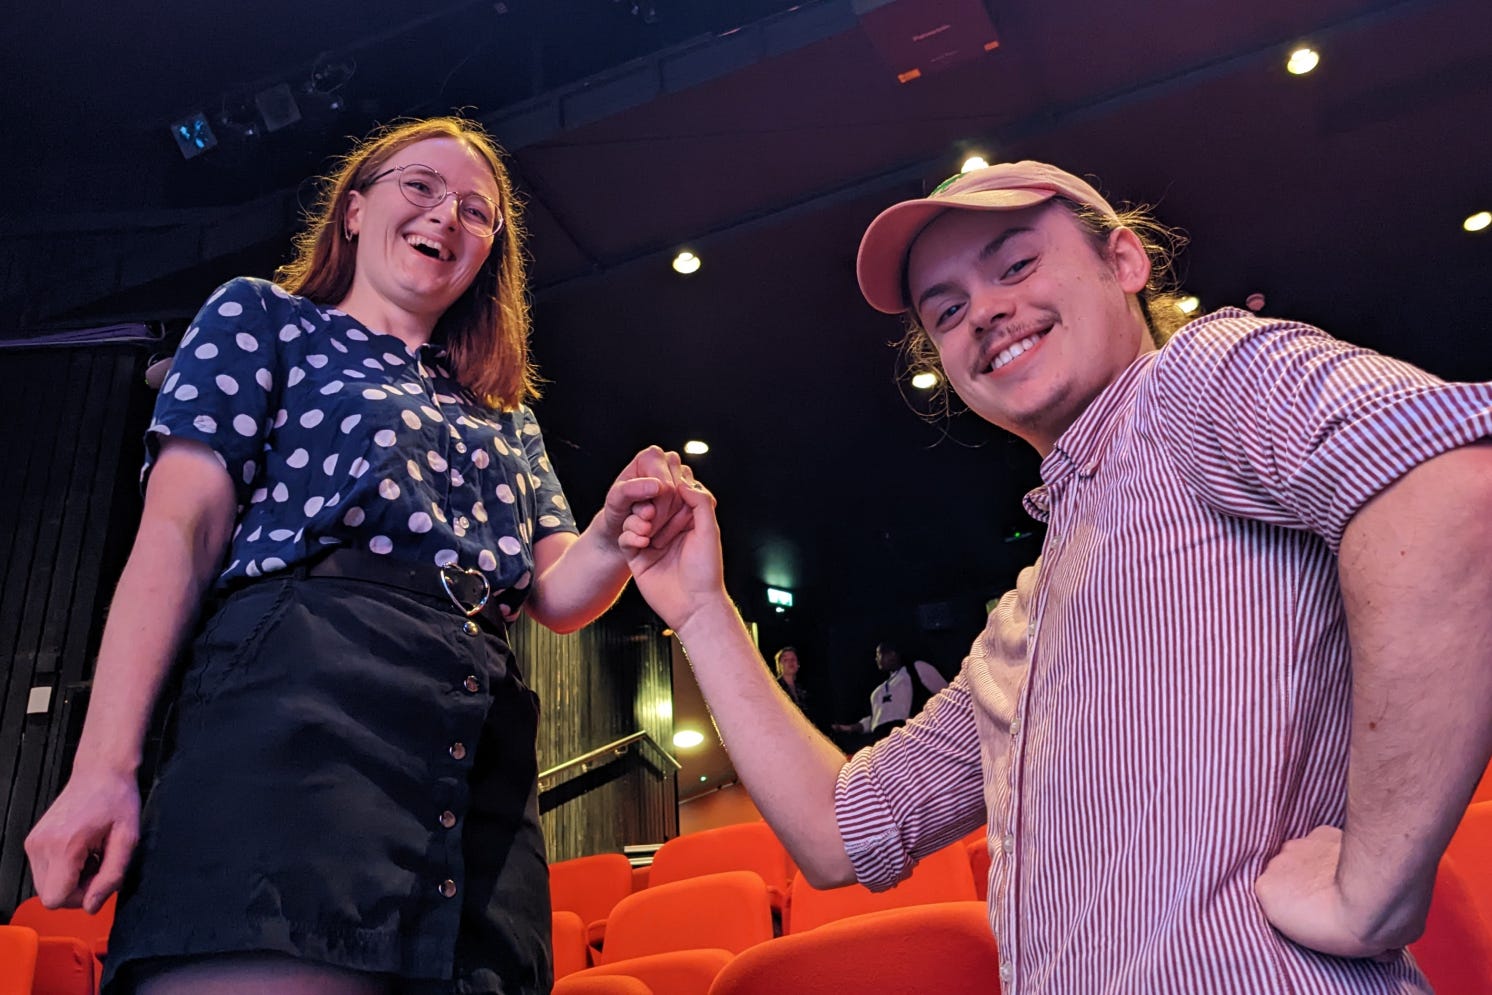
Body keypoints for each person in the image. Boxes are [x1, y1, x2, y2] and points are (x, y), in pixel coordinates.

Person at [621, 160, 1492, 992]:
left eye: (1018, 264)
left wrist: (1376, 885)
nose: (985, 313)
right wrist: (702, 610)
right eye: (948, 309)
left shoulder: (1194, 379)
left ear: (1122, 259)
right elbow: (841, 832)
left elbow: (1451, 485)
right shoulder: (1020, 622)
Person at [23, 116, 686, 995]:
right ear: (354, 208)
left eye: (477, 211)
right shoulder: (262, 317)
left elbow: (557, 594)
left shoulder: (505, 412)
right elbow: (177, 537)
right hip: (298, 702)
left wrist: (613, 531)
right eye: (421, 186)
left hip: (475, 733)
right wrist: (102, 767)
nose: (448, 215)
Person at [830, 640, 947, 747]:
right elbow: (874, 721)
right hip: (879, 740)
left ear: (892, 654)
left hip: (905, 733)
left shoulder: (916, 669)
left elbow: (945, 693)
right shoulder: (877, 692)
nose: (876, 659)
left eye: (879, 654)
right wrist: (847, 728)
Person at [773, 646, 810, 714]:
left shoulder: (803, 688)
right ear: (779, 665)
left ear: (798, 664)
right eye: (785, 660)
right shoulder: (775, 687)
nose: (791, 662)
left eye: (793, 659)